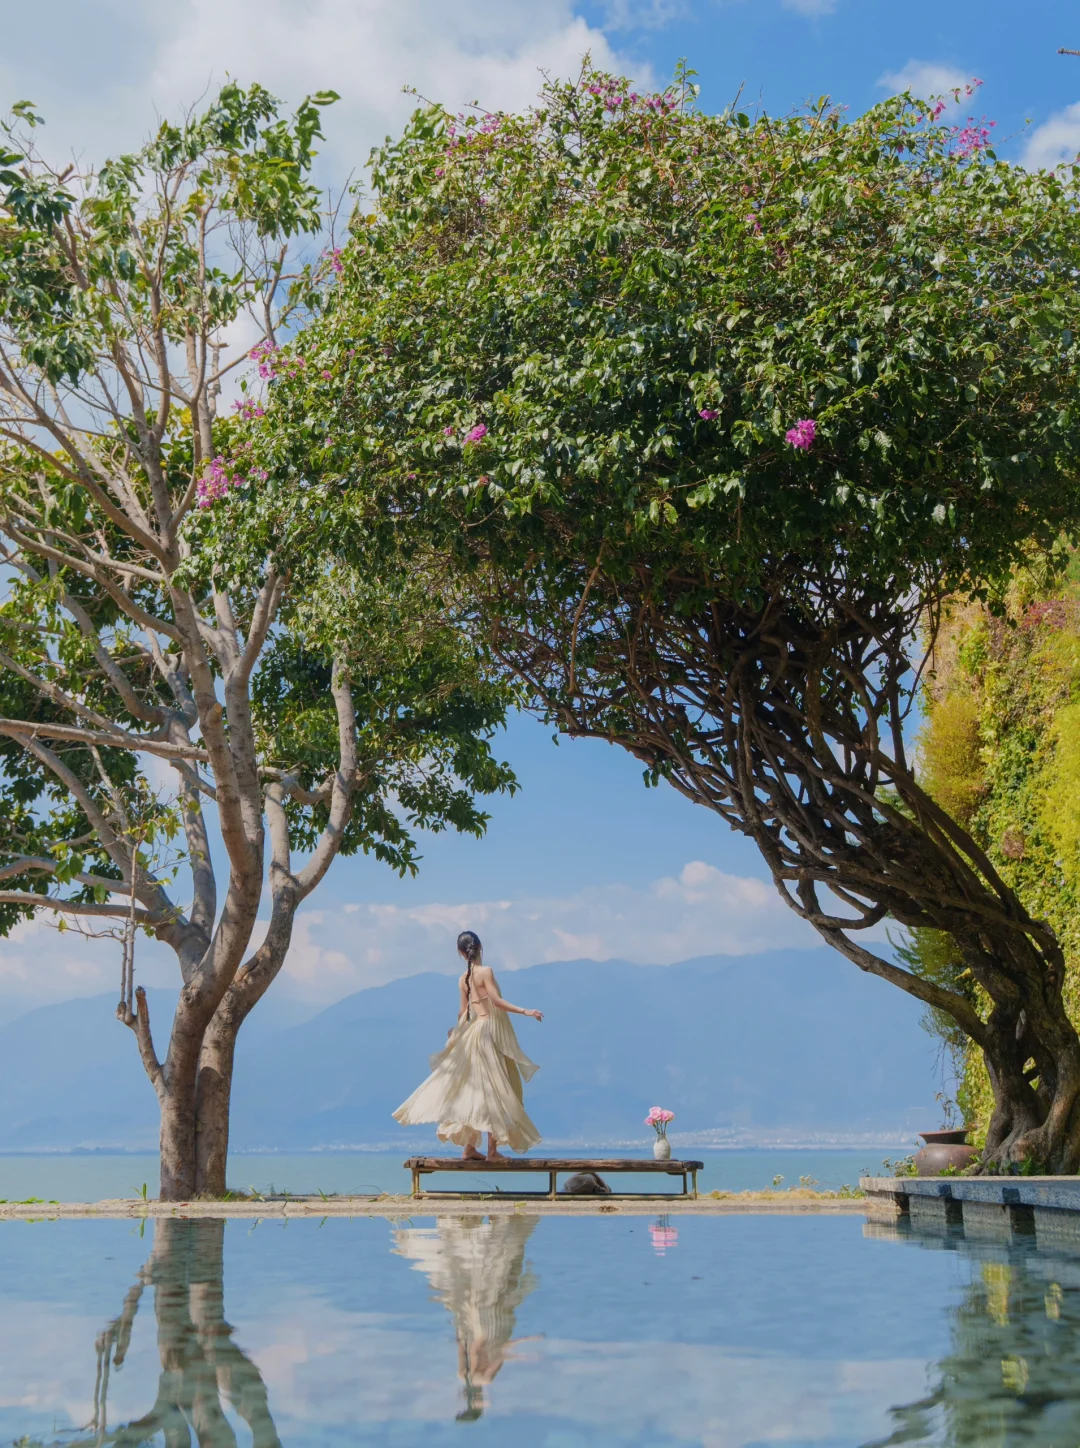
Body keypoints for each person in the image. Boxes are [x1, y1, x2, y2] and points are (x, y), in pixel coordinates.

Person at [392, 930, 543, 1159]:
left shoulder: (463, 979)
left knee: (474, 1091)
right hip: (488, 1034)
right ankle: (491, 1151)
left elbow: (464, 1012)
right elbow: (496, 1002)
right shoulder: (486, 972)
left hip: (473, 1034)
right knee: (496, 1090)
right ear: (480, 947)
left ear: (460, 953)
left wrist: (457, 1031)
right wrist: (526, 1011)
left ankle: (470, 1148)